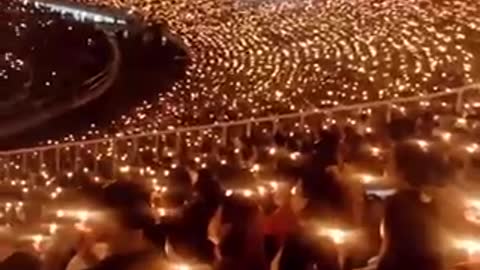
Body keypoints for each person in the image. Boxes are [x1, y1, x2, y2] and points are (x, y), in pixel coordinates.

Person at [377, 140, 452, 270]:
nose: (386, 166)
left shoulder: (397, 202)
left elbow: (389, 254)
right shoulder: (431, 201)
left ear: (402, 170)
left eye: (390, 161)